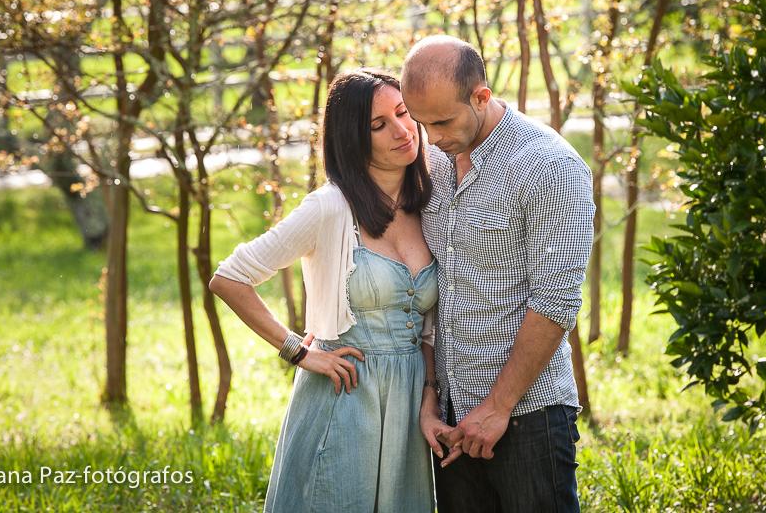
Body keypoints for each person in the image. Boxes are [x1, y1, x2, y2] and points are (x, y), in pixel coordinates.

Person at [209, 69, 437, 513]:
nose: (401, 130)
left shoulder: (429, 202)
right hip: (344, 396)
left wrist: (429, 392)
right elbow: (230, 277)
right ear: (354, 139)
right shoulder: (329, 208)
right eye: (379, 125)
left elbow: (428, 326)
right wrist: (298, 350)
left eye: (403, 112)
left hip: (409, 406)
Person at [401, 35, 595, 513]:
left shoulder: (549, 166)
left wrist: (497, 407)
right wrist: (431, 397)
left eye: (443, 121)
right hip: (451, 421)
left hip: (528, 416)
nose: (433, 137)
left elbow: (555, 302)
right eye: (422, 123)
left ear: (482, 96)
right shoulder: (435, 163)